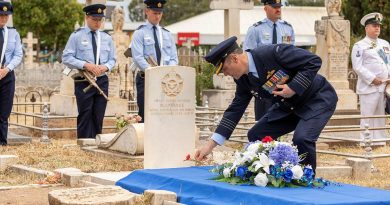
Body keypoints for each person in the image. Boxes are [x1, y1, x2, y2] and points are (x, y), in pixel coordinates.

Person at [195, 36, 338, 170]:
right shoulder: (243, 79)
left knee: (302, 138)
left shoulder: (274, 53)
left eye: (224, 69)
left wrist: (294, 87)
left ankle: (307, 180)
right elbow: (235, 110)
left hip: (316, 99)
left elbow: (313, 61)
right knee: (256, 135)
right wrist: (210, 146)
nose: (225, 74)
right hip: (289, 106)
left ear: (234, 58)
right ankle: (271, 172)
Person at [62, 4, 116, 139]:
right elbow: (66, 57)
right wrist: (86, 65)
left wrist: (106, 67)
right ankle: (85, 144)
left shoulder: (106, 38)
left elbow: (113, 60)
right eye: (94, 19)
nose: (98, 23)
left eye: (100, 20)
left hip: (102, 79)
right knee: (85, 113)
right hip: (84, 80)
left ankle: (97, 142)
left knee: (99, 114)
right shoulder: (76, 36)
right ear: (87, 17)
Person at [244, 0, 295, 121]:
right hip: (264, 79)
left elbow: (292, 54)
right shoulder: (255, 29)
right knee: (264, 119)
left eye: (279, 6)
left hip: (283, 78)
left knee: (282, 119)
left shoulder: (288, 28)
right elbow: (248, 56)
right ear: (266, 8)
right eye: (274, 7)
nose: (278, 9)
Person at [130, 0, 178, 122]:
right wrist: (153, 72)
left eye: (160, 13)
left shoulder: (167, 34)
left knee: (165, 115)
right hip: (146, 79)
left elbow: (173, 58)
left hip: (166, 81)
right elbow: (138, 57)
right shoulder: (139, 33)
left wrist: (168, 72)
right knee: (146, 114)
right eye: (155, 12)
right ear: (147, 11)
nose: (157, 16)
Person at [351, 12, 389, 146]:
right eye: (374, 25)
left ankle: (379, 142)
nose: (377, 28)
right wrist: (372, 79)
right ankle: (366, 143)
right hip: (369, 87)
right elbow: (357, 67)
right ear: (366, 28)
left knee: (380, 116)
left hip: (384, 86)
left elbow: (388, 62)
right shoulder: (359, 45)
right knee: (367, 117)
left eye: (378, 25)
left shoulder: (385, 44)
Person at [0, 2, 23, 146]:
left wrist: (6, 69)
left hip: (7, 75)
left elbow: (18, 54)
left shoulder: (13, 33)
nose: (3, 19)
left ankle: (2, 143)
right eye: (1, 15)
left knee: (4, 112)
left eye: (6, 16)